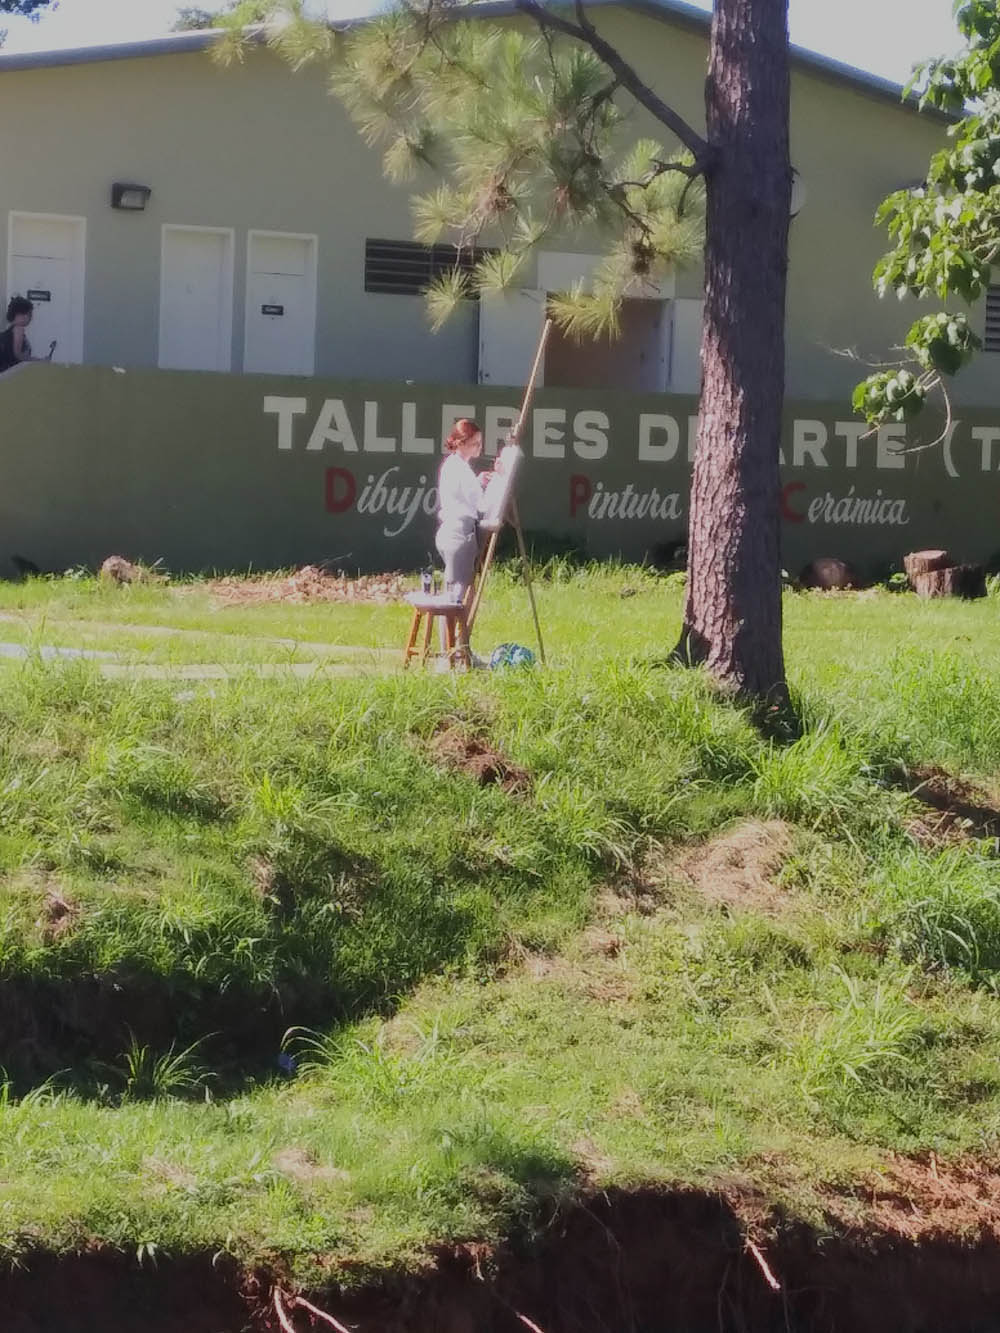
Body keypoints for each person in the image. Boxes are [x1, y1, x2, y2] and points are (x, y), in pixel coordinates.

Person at [435, 417, 492, 603]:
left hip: (448, 531)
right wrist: (498, 486)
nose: (479, 448)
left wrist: (478, 482)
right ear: (461, 443)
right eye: (475, 444)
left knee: (454, 592)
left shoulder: (451, 465)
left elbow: (459, 494)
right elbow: (481, 504)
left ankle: (453, 632)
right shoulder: (462, 470)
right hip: (460, 534)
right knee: (456, 598)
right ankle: (453, 633)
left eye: (480, 443)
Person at [0, 297, 55, 373]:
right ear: (21, 315)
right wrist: (40, 361)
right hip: (12, 373)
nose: (30, 318)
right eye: (30, 314)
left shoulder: (10, 331)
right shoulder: (18, 329)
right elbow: (18, 355)